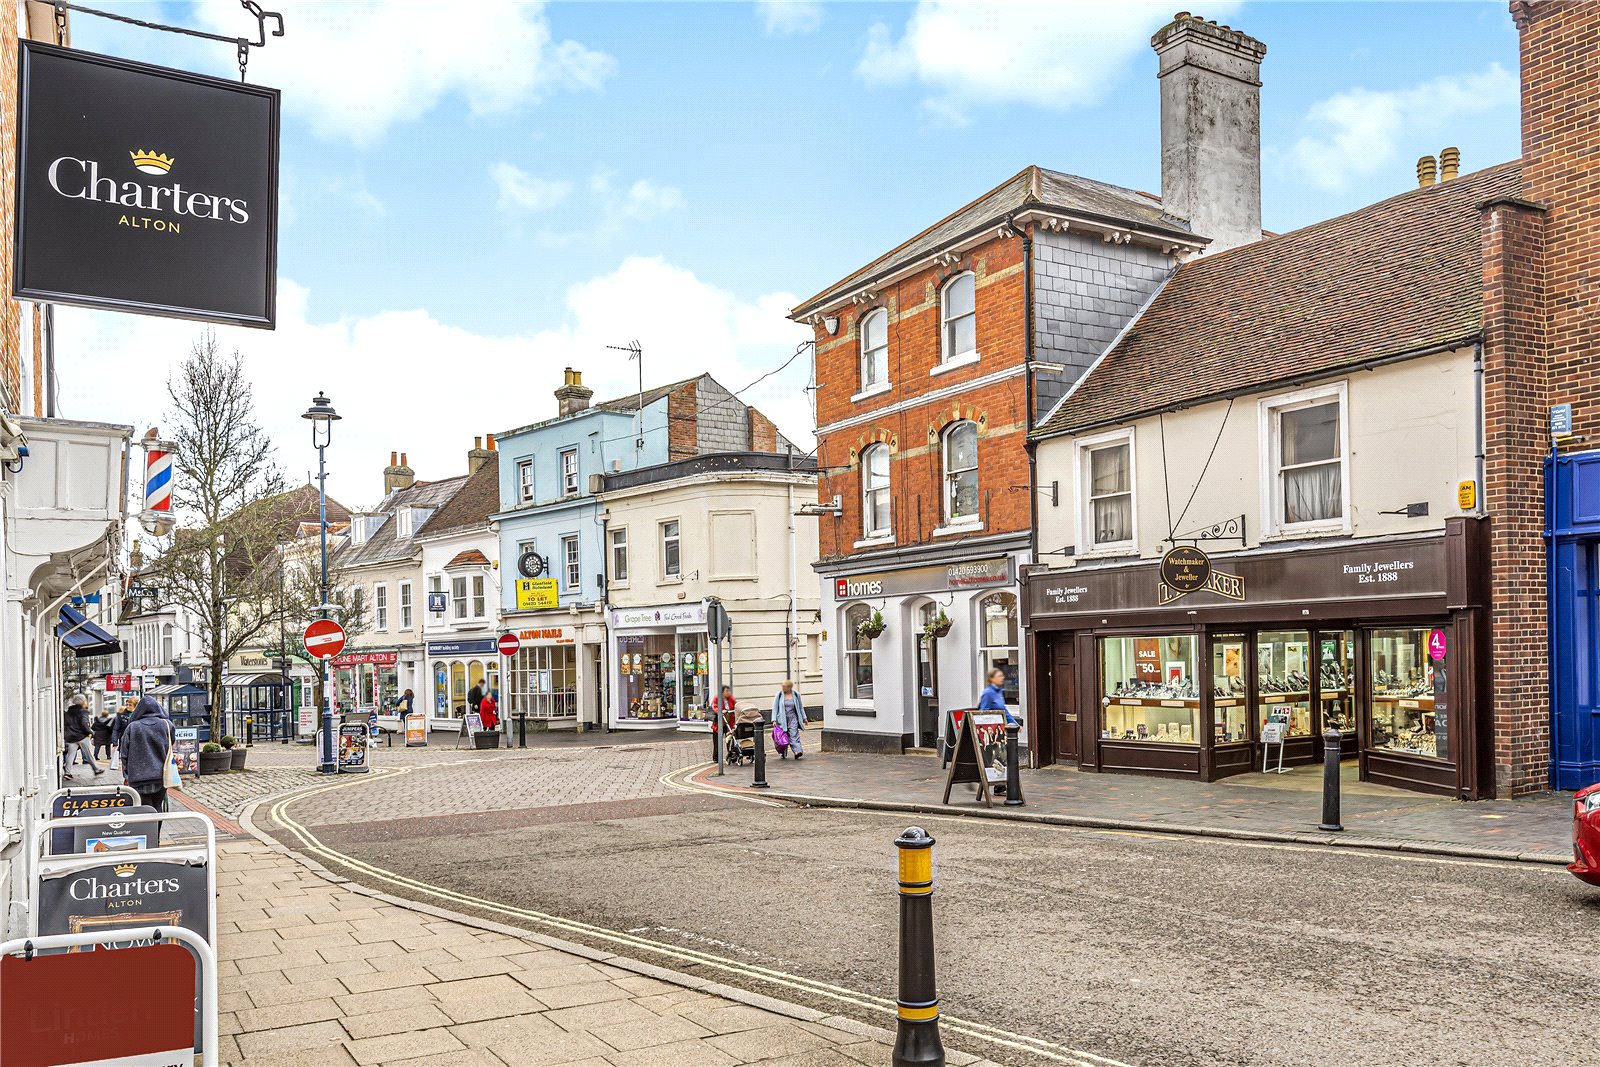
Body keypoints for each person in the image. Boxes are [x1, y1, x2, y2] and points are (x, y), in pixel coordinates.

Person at [119, 694, 174, 811]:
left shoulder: (132, 727)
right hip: (161, 775)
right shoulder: (166, 724)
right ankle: (156, 830)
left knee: (144, 808)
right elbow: (171, 743)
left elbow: (124, 753)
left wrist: (126, 774)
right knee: (158, 806)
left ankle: (148, 829)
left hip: (138, 777)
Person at [62, 694, 101, 777]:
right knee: (88, 754)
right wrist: (91, 732)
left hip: (71, 737)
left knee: (70, 755)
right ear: (82, 701)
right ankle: (96, 769)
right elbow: (84, 724)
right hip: (82, 736)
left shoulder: (69, 712)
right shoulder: (83, 711)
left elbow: (66, 724)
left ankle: (67, 772)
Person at [770, 679, 805, 760]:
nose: (782, 688)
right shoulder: (779, 695)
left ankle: (797, 751)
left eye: (784, 686)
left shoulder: (796, 695)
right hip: (781, 719)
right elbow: (775, 708)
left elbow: (800, 707)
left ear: (789, 687)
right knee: (783, 737)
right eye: (782, 686)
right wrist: (774, 720)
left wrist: (804, 718)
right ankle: (783, 752)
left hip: (793, 718)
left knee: (794, 735)